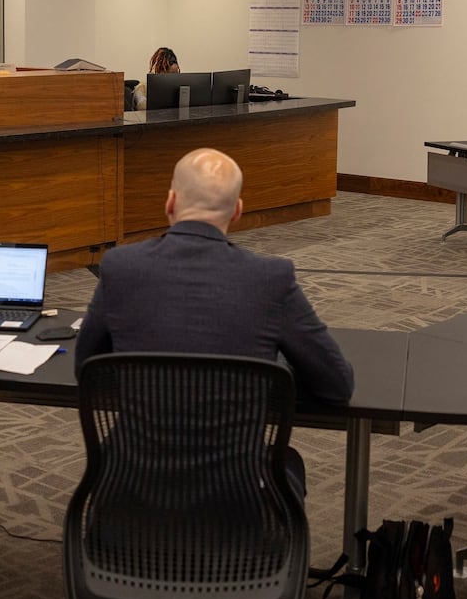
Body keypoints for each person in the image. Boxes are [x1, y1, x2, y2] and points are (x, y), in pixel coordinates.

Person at [75, 147, 356, 487]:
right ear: (237, 211)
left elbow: (86, 368)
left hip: (130, 502)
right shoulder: (270, 278)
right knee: (289, 463)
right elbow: (337, 385)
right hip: (238, 516)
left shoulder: (121, 267)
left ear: (170, 202)